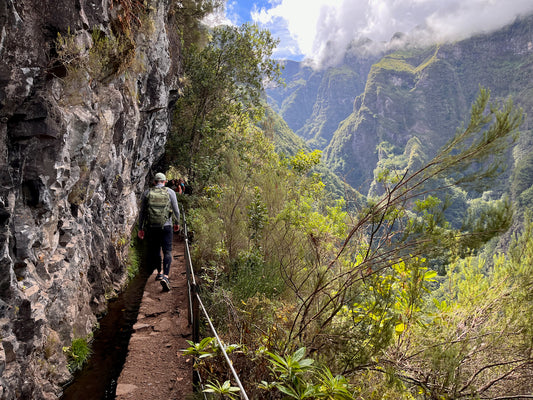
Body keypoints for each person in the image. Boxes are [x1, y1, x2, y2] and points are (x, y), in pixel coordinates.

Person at [137, 172, 180, 291]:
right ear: (165, 182)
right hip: (166, 226)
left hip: (151, 227)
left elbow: (142, 213)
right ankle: (165, 276)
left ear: (154, 182)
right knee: (167, 251)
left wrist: (141, 228)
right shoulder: (170, 192)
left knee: (155, 250)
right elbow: (176, 210)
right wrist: (177, 223)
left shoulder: (147, 193)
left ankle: (159, 273)